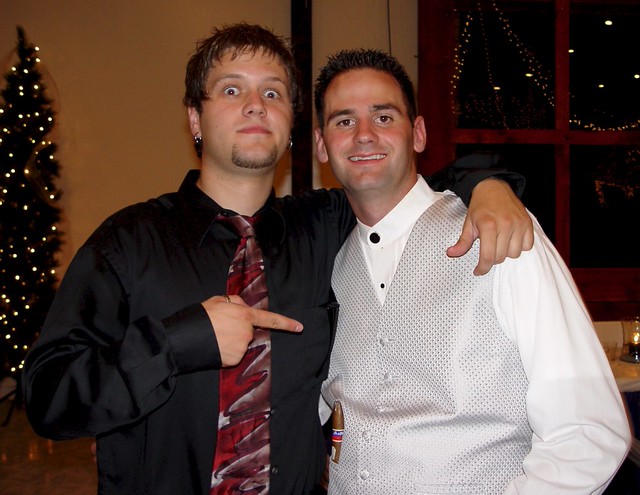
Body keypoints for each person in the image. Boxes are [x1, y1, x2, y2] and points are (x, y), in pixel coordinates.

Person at [22, 24, 532, 495]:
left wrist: (488, 185)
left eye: (272, 93)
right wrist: (179, 341)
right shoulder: (128, 243)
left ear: (292, 126)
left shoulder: (324, 227)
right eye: (231, 90)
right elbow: (46, 396)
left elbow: (405, 181)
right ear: (195, 119)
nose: (254, 106)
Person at [315, 48, 631, 494]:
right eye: (344, 121)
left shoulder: (500, 233)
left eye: (384, 117)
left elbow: (587, 433)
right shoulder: (327, 263)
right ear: (321, 144)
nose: (364, 135)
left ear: (418, 134)